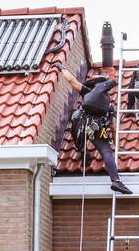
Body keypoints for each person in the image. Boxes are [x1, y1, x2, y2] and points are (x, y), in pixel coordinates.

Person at [52, 63, 133, 195]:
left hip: (83, 128)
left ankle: (84, 153)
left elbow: (71, 80)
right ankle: (116, 181)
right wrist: (117, 144)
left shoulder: (87, 92)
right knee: (106, 152)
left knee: (77, 121)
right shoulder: (108, 105)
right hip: (98, 129)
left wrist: (62, 67)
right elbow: (112, 126)